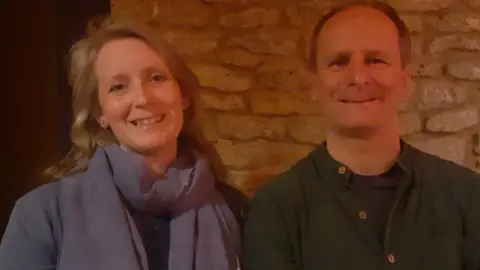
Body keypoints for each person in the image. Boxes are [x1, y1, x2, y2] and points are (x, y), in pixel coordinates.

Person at [242, 1, 480, 270]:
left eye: (375, 60)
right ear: (315, 85)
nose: (358, 77)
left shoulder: (468, 197)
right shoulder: (276, 210)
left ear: (405, 80)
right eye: (338, 62)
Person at [0, 18, 247, 270]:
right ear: (100, 113)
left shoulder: (235, 209)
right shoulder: (42, 214)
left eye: (156, 78)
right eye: (118, 87)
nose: (142, 98)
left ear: (183, 95)